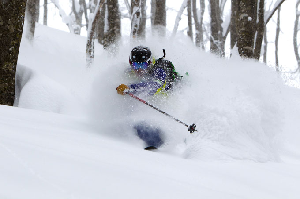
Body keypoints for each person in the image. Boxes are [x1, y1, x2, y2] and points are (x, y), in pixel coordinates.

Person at [116, 46, 181, 149]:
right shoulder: (129, 72)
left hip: (171, 100)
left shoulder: (159, 69)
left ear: (150, 62)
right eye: (136, 65)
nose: (139, 69)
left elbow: (154, 86)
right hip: (152, 101)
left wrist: (130, 88)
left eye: (143, 64)